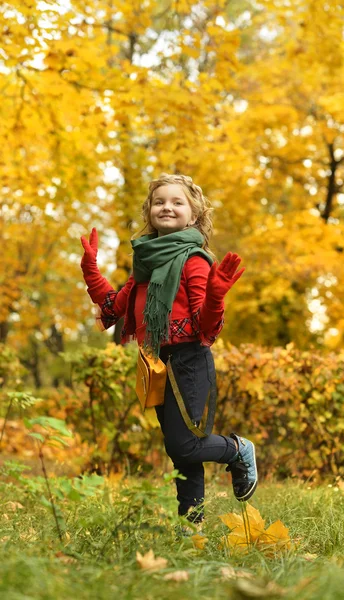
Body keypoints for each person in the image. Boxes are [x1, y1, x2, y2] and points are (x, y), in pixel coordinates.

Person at [80, 173, 257, 526]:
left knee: (185, 445)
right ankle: (191, 528)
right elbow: (116, 307)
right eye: (159, 201)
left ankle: (239, 450)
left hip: (189, 361)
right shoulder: (146, 263)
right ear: (149, 211)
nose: (167, 207)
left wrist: (216, 295)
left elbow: (206, 328)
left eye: (177, 202)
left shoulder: (194, 260)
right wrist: (90, 272)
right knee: (181, 456)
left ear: (193, 215)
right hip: (157, 361)